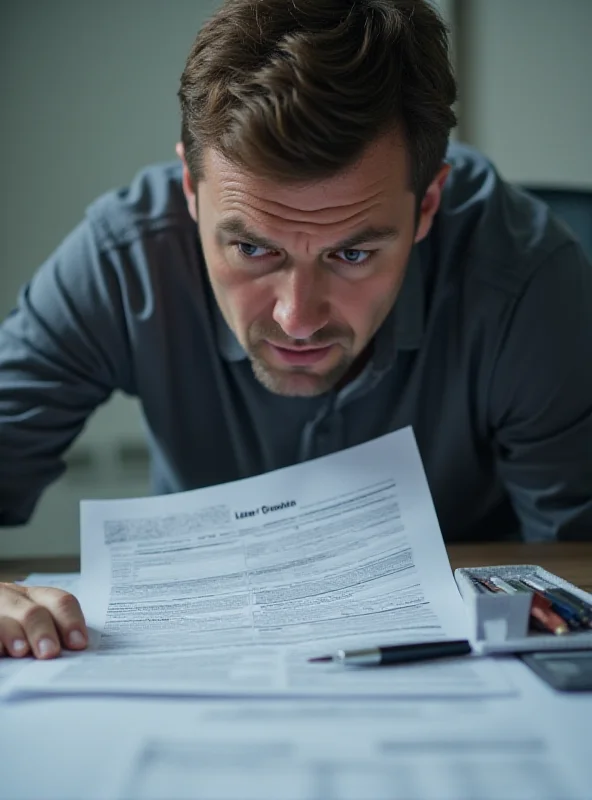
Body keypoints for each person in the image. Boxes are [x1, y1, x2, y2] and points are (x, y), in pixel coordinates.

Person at [1, 0, 591, 661]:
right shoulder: (123, 262)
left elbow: (575, 573)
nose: (297, 318)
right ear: (192, 192)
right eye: (254, 250)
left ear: (427, 204)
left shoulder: (526, 280)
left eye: (353, 253)